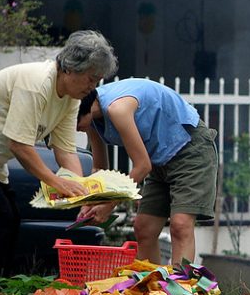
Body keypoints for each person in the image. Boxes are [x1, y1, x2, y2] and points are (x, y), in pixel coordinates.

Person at [0, 30, 118, 285]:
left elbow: (65, 151)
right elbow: (19, 145)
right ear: (71, 69)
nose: (93, 87)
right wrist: (57, 182)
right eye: (91, 79)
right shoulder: (37, 84)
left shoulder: (71, 98)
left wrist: (82, 194)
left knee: (8, 219)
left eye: (97, 81)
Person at [76, 77, 218, 266]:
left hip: (189, 149)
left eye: (69, 121)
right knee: (144, 228)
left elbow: (142, 167)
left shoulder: (117, 109)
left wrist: (110, 204)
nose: (74, 128)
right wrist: (91, 201)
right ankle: (154, 290)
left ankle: (180, 291)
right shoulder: (92, 115)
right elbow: (100, 168)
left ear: (76, 109)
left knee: (180, 225)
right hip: (160, 158)